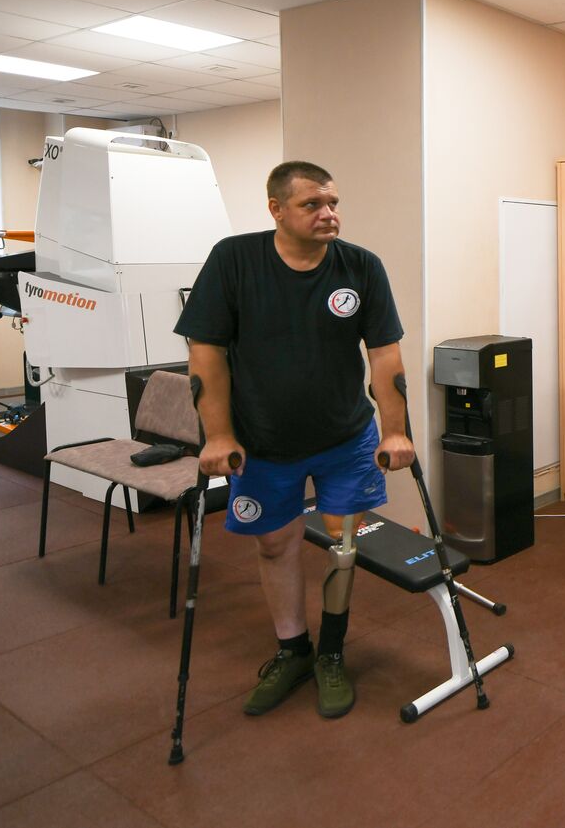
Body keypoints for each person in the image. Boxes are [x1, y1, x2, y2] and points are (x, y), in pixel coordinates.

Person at [176, 160, 415, 718]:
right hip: (263, 441)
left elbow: (385, 355)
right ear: (276, 210)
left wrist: (397, 429)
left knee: (343, 546)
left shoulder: (360, 267)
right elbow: (204, 353)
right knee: (275, 543)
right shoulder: (234, 261)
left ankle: (331, 653)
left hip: (344, 436)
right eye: (312, 205)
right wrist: (217, 435)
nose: (329, 214)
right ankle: (293, 650)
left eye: (332, 202)